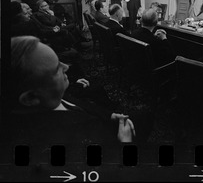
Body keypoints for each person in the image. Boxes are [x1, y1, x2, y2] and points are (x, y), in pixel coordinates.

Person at [3, 35, 136, 145]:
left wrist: (110, 116)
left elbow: (74, 103)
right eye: (56, 69)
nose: (66, 66)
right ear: (30, 98)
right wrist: (125, 143)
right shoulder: (64, 139)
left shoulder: (49, 96)